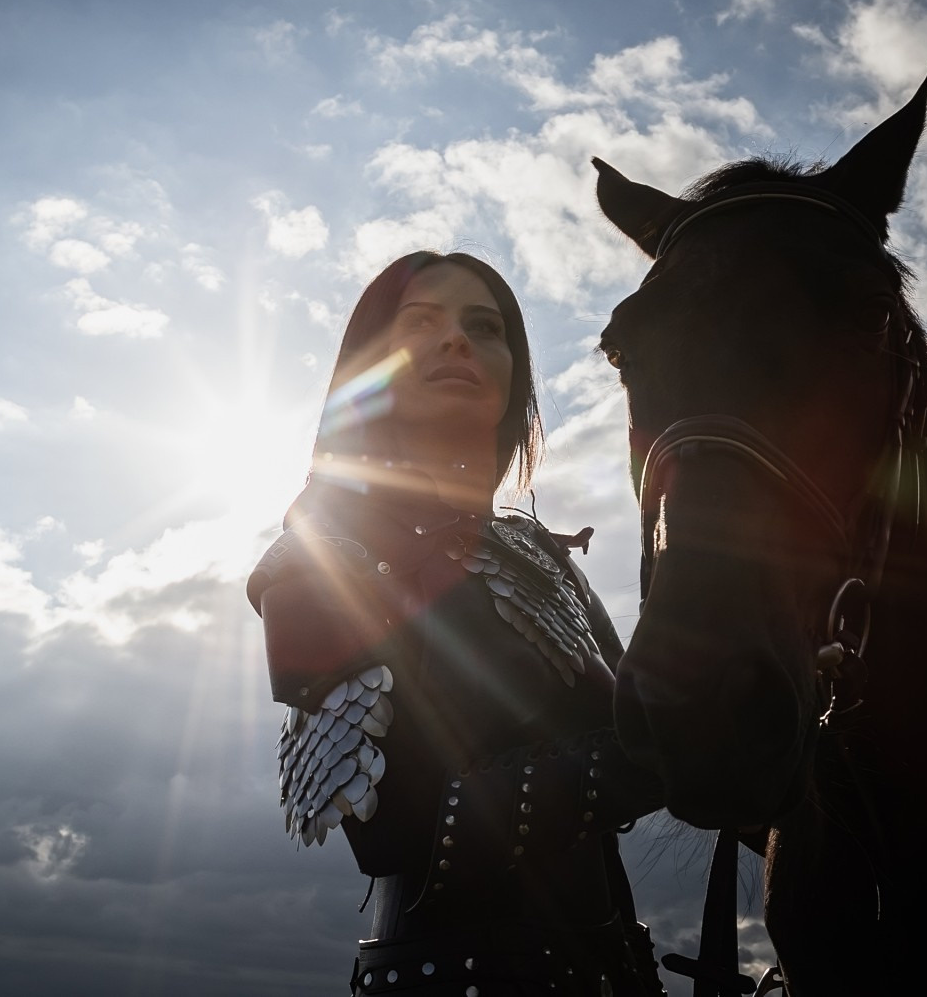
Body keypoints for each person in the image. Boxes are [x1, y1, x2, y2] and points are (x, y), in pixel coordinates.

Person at [247, 251, 666, 996]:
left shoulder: (544, 558)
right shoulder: (321, 550)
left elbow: (654, 712)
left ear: (513, 376)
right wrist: (659, 754)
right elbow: (396, 830)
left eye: (485, 326)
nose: (457, 340)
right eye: (421, 322)